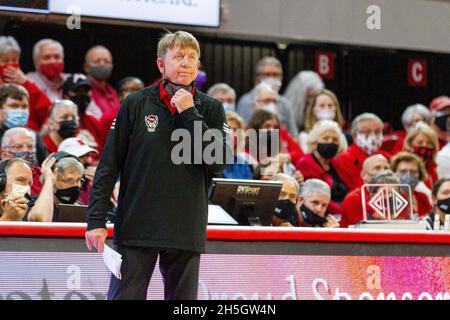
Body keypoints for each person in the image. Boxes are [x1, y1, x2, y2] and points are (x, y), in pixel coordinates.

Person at [85, 31, 230, 300]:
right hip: (137, 226)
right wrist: (96, 219)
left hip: (185, 229)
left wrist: (190, 113)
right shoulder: (135, 104)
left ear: (198, 65)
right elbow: (108, 165)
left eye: (192, 57)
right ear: (161, 64)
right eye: (178, 57)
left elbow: (217, 162)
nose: (185, 62)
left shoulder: (211, 109)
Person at [296, 120, 348, 217]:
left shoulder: (336, 162)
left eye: (334, 140)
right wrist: (345, 210)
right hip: (320, 213)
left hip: (340, 211)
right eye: (325, 138)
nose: (330, 142)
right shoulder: (305, 162)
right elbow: (316, 196)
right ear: (315, 141)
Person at [0, 36, 52, 131]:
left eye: (15, 60)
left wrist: (26, 83)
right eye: (5, 61)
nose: (11, 64)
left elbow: (48, 112)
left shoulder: (26, 84)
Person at [236, 56, 298, 136]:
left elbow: (293, 135)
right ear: (257, 78)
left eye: (275, 75)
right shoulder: (245, 102)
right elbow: (241, 133)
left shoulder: (285, 103)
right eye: (267, 74)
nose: (272, 78)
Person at [335, 113, 391, 191]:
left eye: (377, 131)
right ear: (354, 135)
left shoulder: (386, 157)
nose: (373, 135)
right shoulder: (346, 157)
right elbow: (358, 187)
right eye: (366, 132)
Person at [27, 152, 84, 222]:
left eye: (79, 180)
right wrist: (49, 179)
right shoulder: (31, 203)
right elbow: (40, 219)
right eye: (69, 180)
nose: (76, 185)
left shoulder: (80, 208)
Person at [0, 84, 48, 164]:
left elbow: (44, 168)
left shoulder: (33, 136)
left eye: (24, 106)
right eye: (14, 106)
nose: (20, 111)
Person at [340, 154, 390, 227]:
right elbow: (362, 230)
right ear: (363, 175)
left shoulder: (393, 195)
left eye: (386, 168)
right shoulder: (354, 199)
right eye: (377, 168)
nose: (383, 172)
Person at [62, 74, 103, 153]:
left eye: (86, 91)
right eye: (77, 91)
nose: (83, 95)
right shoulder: (60, 122)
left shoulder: (93, 121)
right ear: (66, 95)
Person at [1, 127, 43, 195]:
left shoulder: (42, 174)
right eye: (18, 146)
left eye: (30, 146)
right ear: (4, 152)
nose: (25, 150)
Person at [83, 45, 121, 120]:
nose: (102, 64)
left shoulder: (113, 92)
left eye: (107, 61)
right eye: (97, 61)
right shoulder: (83, 92)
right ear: (86, 67)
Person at [58, 137, 99, 205]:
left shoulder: (92, 184)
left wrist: (100, 186)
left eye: (88, 155)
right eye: (81, 156)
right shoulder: (56, 187)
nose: (88, 160)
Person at [390, 152, 433, 217]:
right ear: (394, 173)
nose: (408, 175)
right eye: (403, 171)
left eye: (413, 172)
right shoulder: (390, 199)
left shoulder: (422, 197)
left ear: (420, 174)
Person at [402, 122, 439, 188]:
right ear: (410, 144)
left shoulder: (433, 171)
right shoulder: (402, 166)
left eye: (429, 143)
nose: (424, 146)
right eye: (420, 142)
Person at [220, 111, 253, 179]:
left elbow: (250, 187)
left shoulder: (243, 164)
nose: (233, 134)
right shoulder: (210, 162)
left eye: (235, 130)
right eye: (228, 129)